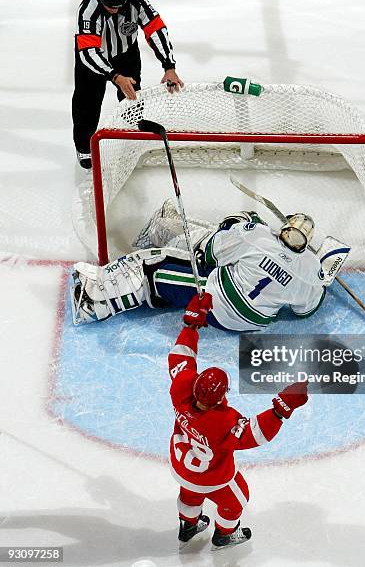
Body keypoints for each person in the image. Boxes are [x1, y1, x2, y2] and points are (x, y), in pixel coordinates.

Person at [168, 292, 309, 548]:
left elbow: (181, 357)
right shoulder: (222, 421)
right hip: (213, 477)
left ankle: (188, 525)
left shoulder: (181, 389)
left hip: (181, 467)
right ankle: (224, 535)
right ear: (222, 396)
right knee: (237, 500)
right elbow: (256, 434)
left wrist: (191, 325)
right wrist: (282, 407)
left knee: (190, 494)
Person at [70, 204, 350, 329]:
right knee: (193, 254)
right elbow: (306, 310)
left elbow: (211, 256)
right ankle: (170, 226)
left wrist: (234, 225)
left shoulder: (260, 237)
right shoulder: (310, 270)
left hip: (219, 303)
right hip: (254, 322)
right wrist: (323, 276)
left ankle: (93, 303)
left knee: (154, 265)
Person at [72, 0, 184, 169]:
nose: (115, 10)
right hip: (93, 59)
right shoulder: (88, 11)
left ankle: (132, 127)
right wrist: (115, 76)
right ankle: (84, 148)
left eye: (119, 5)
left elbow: (156, 29)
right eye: (110, 6)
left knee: (133, 96)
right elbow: (88, 52)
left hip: (126, 54)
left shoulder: (137, 0)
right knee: (87, 104)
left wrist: (169, 66)